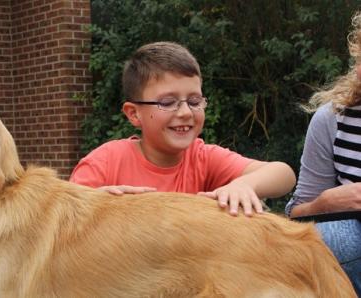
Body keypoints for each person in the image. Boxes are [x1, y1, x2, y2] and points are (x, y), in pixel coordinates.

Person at [70, 41, 296, 216]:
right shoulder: (106, 161)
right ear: (134, 114)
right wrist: (95, 205)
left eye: (195, 101)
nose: (186, 112)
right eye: (168, 103)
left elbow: (283, 174)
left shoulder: (202, 157)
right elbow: (61, 217)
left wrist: (243, 185)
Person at [285, 11, 361, 295]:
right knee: (337, 238)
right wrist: (327, 202)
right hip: (351, 263)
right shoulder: (331, 119)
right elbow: (295, 218)